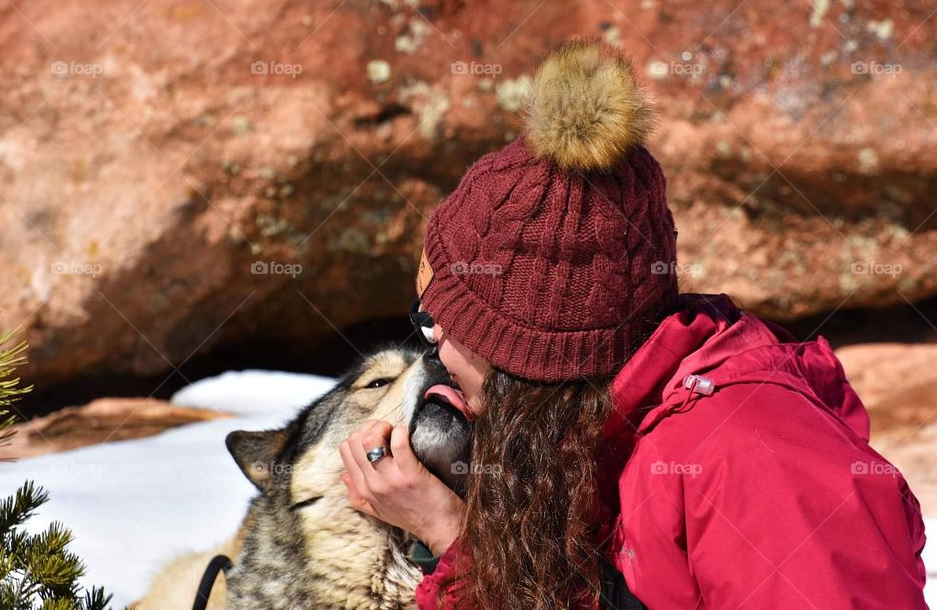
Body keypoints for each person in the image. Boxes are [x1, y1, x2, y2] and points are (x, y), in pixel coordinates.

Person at [338, 38, 929, 609]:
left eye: (439, 323)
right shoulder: (586, 438)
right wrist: (455, 536)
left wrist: (449, 536)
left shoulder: (756, 469)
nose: (433, 342)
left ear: (529, 356)